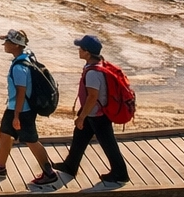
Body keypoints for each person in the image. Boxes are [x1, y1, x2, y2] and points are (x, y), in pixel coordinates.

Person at [55, 34, 129, 185]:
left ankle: (120, 174)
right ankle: (70, 165)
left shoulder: (93, 73)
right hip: (92, 112)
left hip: (97, 115)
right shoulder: (97, 65)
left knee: (108, 143)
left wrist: (82, 116)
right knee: (79, 136)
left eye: (80, 48)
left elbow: (92, 97)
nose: (78, 51)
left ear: (87, 52)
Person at [0, 29, 57, 186]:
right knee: (4, 134)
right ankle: (0, 166)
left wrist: (17, 116)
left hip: (21, 110)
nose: (4, 44)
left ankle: (49, 173)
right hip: (15, 107)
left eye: (7, 41)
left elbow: (21, 92)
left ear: (14, 45)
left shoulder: (19, 67)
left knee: (32, 140)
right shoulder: (27, 56)